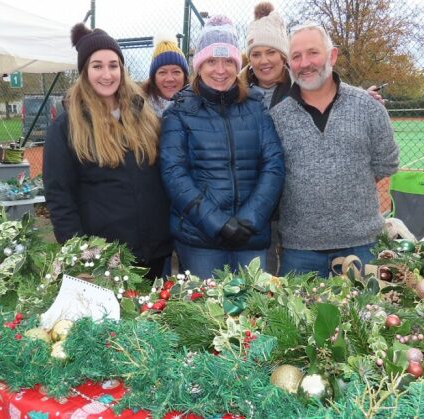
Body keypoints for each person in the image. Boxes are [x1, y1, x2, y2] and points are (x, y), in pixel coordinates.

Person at [240, 2, 384, 275]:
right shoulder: (237, 91)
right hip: (257, 206)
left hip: (299, 213)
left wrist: (364, 99)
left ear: (284, 56)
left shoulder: (303, 85)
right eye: (256, 53)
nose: (264, 60)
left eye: (271, 51)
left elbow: (337, 105)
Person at [269, 22, 399, 278]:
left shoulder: (369, 107)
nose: (305, 63)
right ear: (289, 65)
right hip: (299, 250)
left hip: (363, 245)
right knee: (293, 319)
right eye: (296, 56)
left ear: (332, 56)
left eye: (313, 53)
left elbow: (386, 163)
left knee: (367, 316)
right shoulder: (277, 117)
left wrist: (345, 185)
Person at [160, 15, 285, 279]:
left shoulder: (256, 106)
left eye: (228, 61)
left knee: (254, 314)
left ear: (237, 64)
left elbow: (273, 164)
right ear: (199, 66)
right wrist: (216, 223)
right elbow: (174, 174)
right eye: (211, 61)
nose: (220, 70)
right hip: (200, 240)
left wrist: (249, 220)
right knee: (206, 314)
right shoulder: (179, 111)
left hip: (250, 237)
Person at [43, 24, 172, 279]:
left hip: (154, 251)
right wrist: (80, 255)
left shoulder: (143, 115)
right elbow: (60, 197)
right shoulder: (67, 127)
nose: (107, 74)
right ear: (84, 72)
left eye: (113, 65)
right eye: (97, 66)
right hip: (105, 256)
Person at [142, 37, 189, 117]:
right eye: (162, 72)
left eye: (176, 72)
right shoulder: (139, 109)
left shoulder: (199, 105)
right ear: (154, 78)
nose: (169, 79)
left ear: (185, 76)